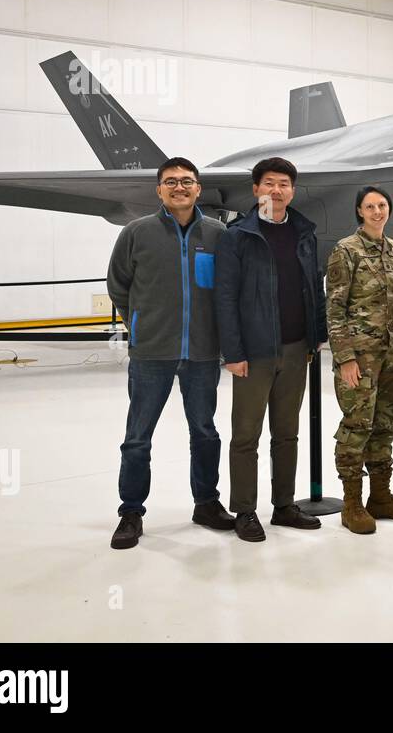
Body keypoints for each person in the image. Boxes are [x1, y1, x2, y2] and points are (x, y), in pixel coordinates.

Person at [107, 157, 233, 549]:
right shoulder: (136, 232)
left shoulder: (217, 234)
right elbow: (118, 285)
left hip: (201, 354)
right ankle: (130, 511)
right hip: (151, 353)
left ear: (198, 189)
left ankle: (207, 504)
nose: (180, 187)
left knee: (205, 432)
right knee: (138, 438)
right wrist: (141, 325)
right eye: (171, 182)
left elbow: (225, 290)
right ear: (159, 190)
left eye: (187, 181)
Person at [215, 157, 326, 542]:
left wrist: (315, 339)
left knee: (287, 433)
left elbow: (314, 287)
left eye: (284, 184)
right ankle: (245, 510)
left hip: (297, 349)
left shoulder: (303, 232)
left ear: (292, 191)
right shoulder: (237, 236)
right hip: (255, 352)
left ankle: (284, 505)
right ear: (256, 189)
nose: (276, 191)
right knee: (246, 435)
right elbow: (225, 297)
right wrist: (233, 352)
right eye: (269, 183)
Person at [325, 186, 393, 535]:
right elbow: (335, 307)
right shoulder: (345, 251)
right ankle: (352, 504)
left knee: (385, 425)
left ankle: (380, 496)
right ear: (360, 212)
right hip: (360, 358)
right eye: (370, 206)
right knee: (356, 426)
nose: (377, 211)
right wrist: (345, 357)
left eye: (382, 205)